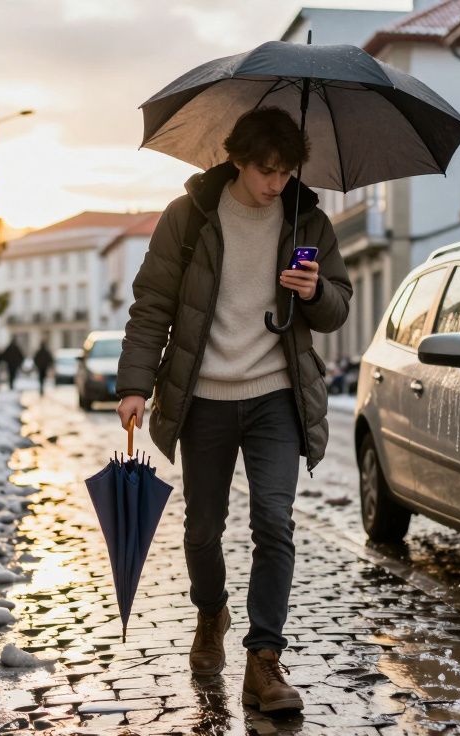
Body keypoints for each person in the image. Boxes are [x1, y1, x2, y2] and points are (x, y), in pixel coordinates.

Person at [115, 107, 351, 713]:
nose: (275, 182)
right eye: (265, 170)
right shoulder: (188, 218)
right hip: (205, 398)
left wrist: (316, 291)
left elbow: (338, 308)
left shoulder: (308, 222)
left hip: (276, 395)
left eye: (285, 171)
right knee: (203, 528)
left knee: (275, 522)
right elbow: (152, 305)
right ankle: (210, 610)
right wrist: (135, 384)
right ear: (237, 160)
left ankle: (265, 659)